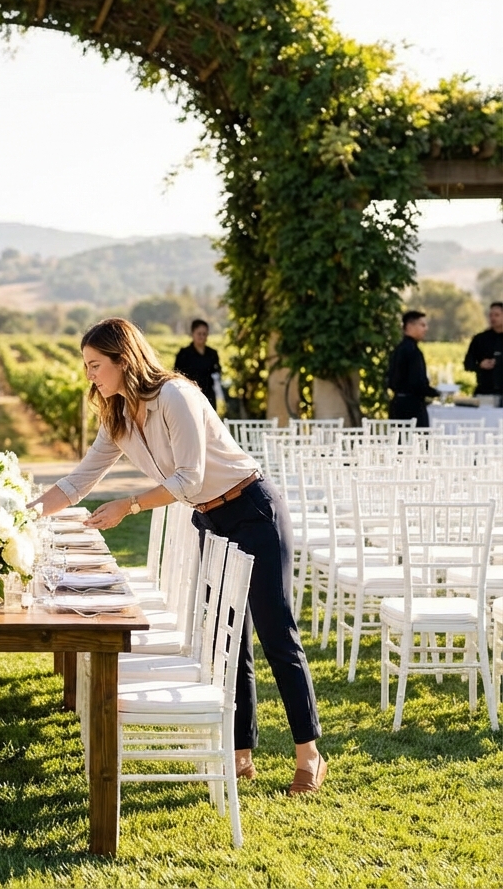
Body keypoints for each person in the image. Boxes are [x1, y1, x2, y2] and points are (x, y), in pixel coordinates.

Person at [31, 317, 326, 794]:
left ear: (123, 360)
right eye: (86, 366)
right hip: (209, 519)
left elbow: (188, 478)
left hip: (252, 509)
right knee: (228, 639)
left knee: (276, 632)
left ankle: (308, 753)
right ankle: (240, 751)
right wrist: (20, 517)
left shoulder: (175, 396)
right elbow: (78, 482)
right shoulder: (118, 416)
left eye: (95, 365)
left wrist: (129, 505)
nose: (90, 376)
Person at [386, 310, 439, 427]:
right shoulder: (413, 352)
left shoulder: (398, 350)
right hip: (412, 408)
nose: (426, 329)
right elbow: (417, 382)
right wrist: (435, 392)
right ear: (410, 326)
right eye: (422, 325)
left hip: (397, 406)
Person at [174, 318, 222, 409]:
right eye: (199, 334)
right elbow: (177, 375)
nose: (201, 336)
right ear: (192, 334)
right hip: (189, 395)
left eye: (204, 334)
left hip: (209, 396)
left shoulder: (212, 354)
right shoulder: (184, 354)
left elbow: (217, 372)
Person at [463, 301, 503, 399]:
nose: (493, 318)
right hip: (485, 392)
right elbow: (467, 364)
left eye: (497, 315)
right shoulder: (480, 339)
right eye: (491, 315)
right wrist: (480, 365)